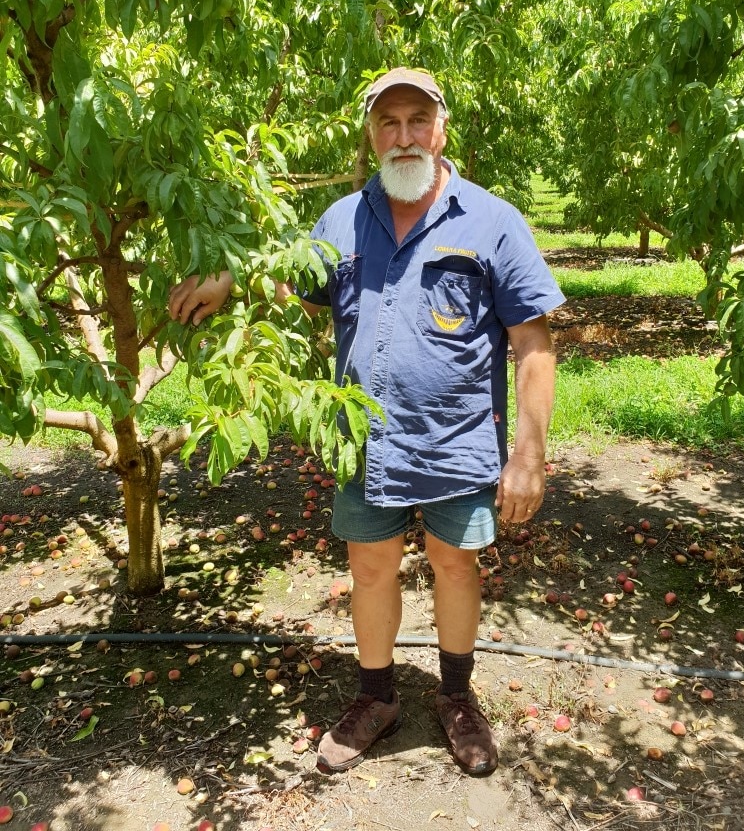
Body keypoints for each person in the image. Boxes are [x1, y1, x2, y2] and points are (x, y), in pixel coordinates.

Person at [169, 67, 564, 778]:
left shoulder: (492, 220)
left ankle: (455, 696)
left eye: (418, 120)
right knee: (370, 566)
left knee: (454, 565)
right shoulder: (342, 219)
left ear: (442, 129)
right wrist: (228, 279)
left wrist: (529, 454)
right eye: (388, 122)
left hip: (456, 440)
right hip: (366, 444)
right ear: (371, 135)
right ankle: (376, 697)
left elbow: (532, 344)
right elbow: (294, 280)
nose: (404, 135)